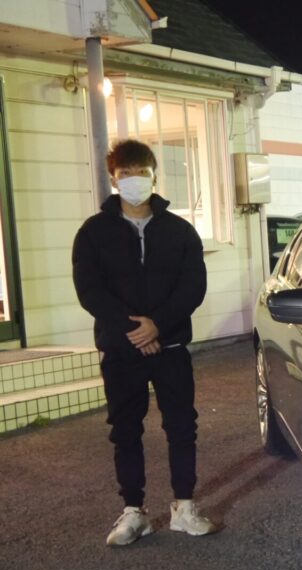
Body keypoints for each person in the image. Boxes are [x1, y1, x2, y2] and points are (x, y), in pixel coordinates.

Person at [73, 139, 217, 546]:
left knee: (181, 426)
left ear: (155, 177)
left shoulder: (179, 231)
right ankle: (133, 511)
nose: (134, 180)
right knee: (125, 429)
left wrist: (158, 327)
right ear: (113, 179)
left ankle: (184, 507)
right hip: (121, 350)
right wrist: (136, 331)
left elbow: (192, 287)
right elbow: (90, 290)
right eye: (126, 174)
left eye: (142, 173)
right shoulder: (93, 232)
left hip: (170, 348)